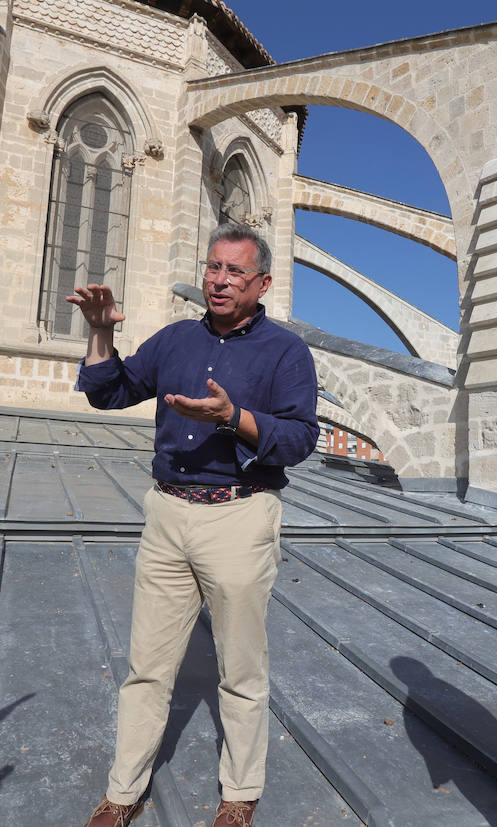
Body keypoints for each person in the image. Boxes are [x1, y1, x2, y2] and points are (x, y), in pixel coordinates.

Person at [71, 223, 318, 827]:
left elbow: (300, 438)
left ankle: (239, 795)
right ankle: (122, 794)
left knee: (241, 668)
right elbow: (110, 391)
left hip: (239, 515)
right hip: (167, 513)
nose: (220, 280)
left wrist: (235, 418)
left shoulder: (286, 352)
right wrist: (101, 334)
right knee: (147, 666)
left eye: (235, 272)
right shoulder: (176, 338)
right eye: (213, 268)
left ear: (262, 283)